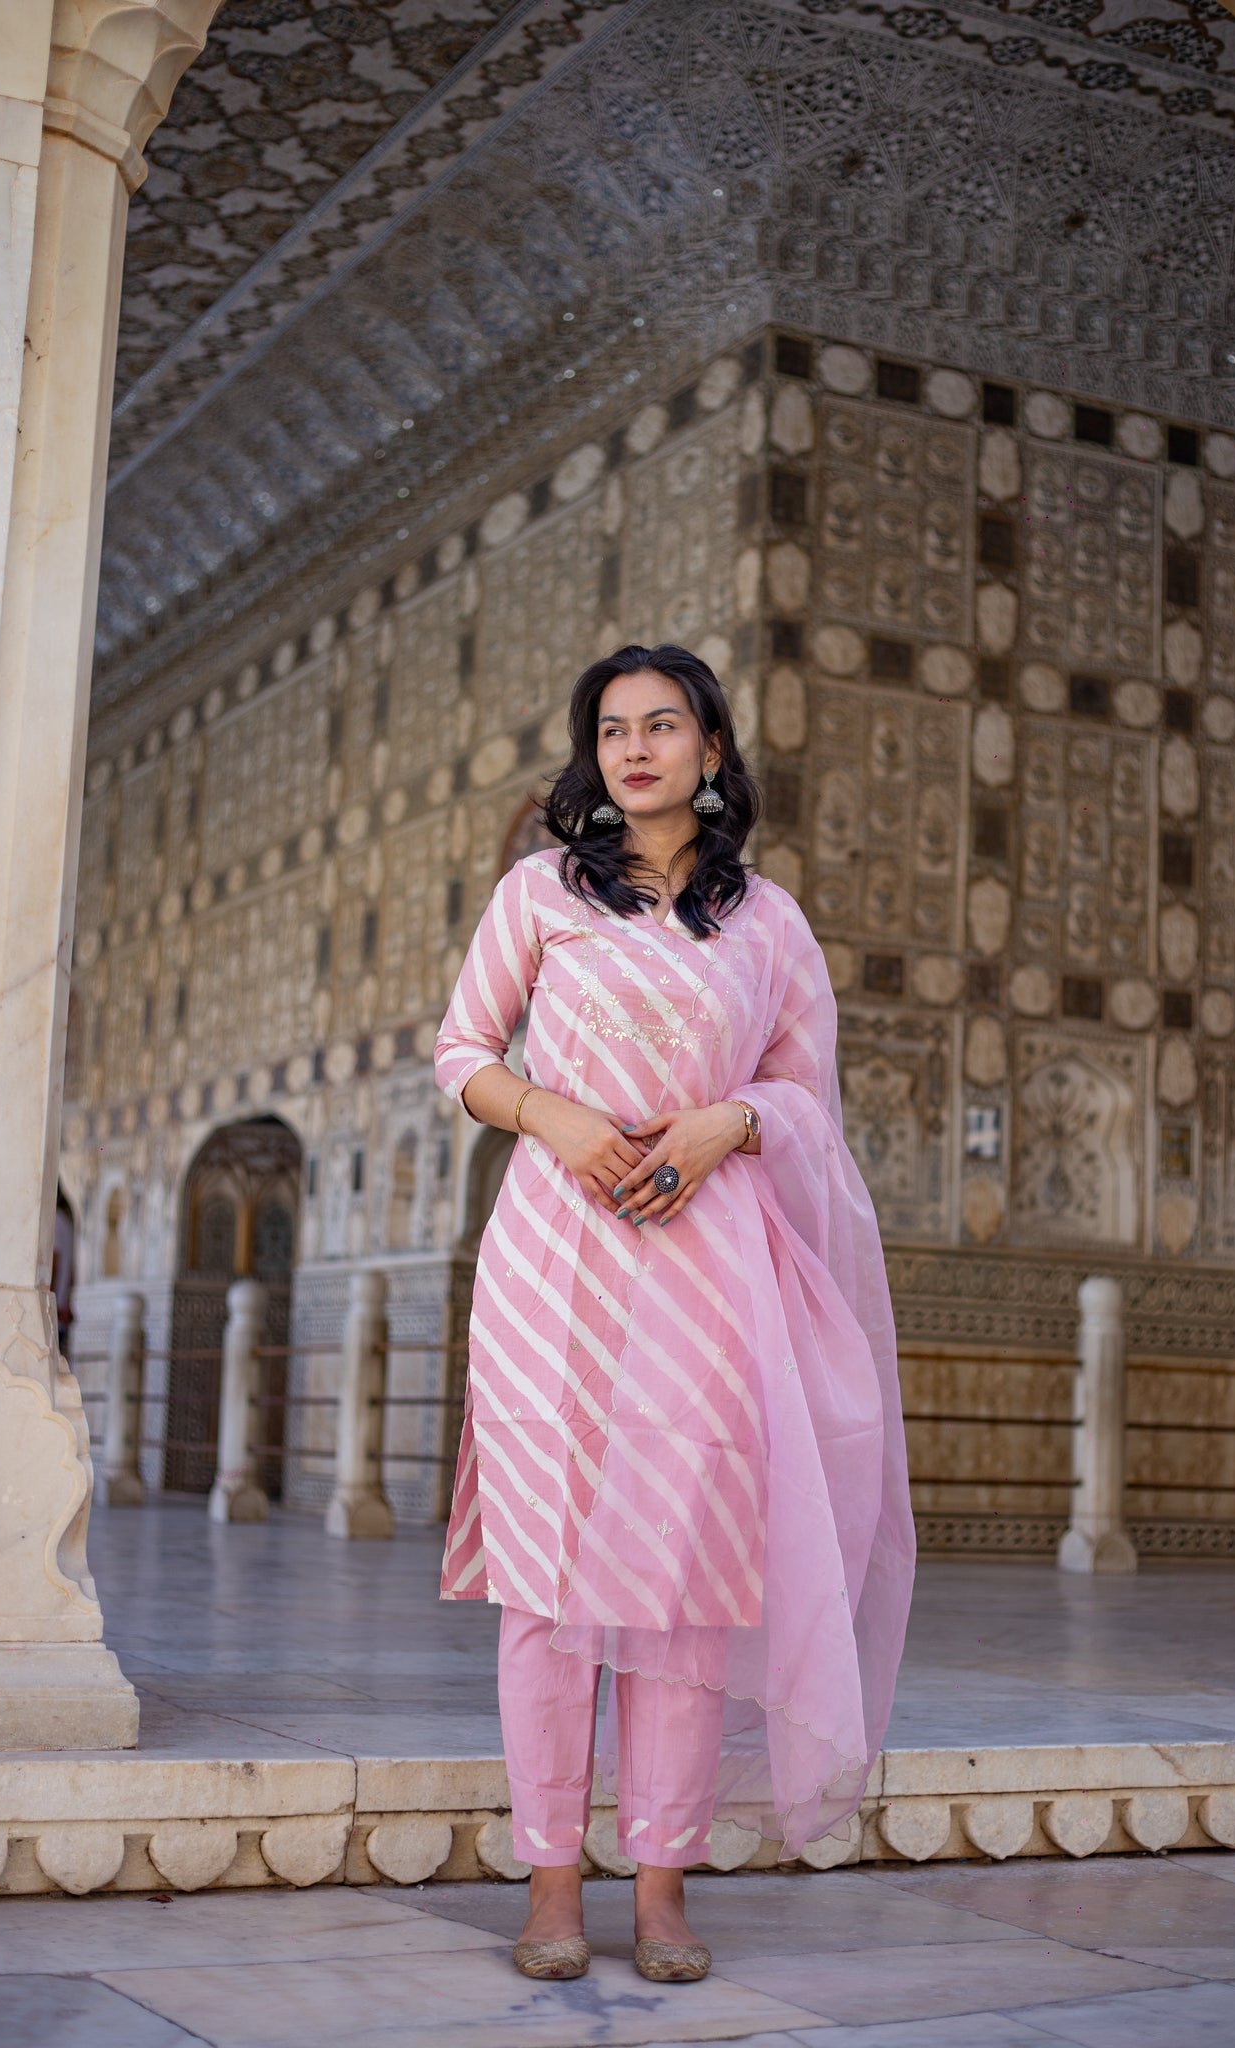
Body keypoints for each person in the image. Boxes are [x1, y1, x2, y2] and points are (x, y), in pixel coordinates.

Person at [433, 643, 914, 1984]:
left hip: (708, 1275)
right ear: (591, 757)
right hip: (552, 1268)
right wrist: (552, 1114)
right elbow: (461, 1052)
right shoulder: (539, 895)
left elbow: (806, 1095)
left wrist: (729, 1122)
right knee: (542, 1583)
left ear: (711, 750)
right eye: (611, 729)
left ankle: (659, 1885)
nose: (635, 748)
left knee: (688, 1588)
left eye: (663, 725)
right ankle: (546, 1883)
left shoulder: (768, 923)